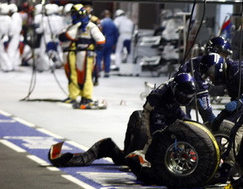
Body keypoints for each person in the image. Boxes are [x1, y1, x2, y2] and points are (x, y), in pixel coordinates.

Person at [50, 72, 200, 171]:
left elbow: (184, 121)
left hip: (155, 126)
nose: (185, 100)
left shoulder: (175, 103)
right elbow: (154, 130)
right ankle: (69, 158)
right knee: (144, 156)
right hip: (146, 131)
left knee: (185, 128)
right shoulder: (158, 97)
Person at [59, 4, 105, 108]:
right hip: (78, 53)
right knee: (80, 76)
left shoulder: (90, 26)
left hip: (86, 53)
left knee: (86, 76)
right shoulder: (78, 26)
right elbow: (63, 36)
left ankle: (87, 97)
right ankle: (82, 97)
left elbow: (101, 41)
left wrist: (93, 50)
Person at [96, 10, 119, 79]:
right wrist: (114, 43)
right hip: (110, 42)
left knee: (99, 57)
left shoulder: (101, 22)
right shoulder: (113, 23)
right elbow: (116, 34)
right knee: (107, 57)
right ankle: (107, 72)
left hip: (101, 42)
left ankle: (98, 72)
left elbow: (97, 32)